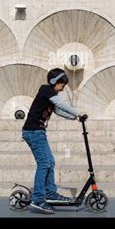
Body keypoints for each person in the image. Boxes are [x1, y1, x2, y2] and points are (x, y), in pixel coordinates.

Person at [22, 68, 87, 214]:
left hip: (37, 132)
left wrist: (74, 118)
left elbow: (58, 110)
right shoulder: (46, 90)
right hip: (33, 132)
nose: (63, 88)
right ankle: (38, 199)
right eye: (62, 85)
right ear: (54, 82)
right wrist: (78, 112)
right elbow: (61, 105)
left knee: (50, 162)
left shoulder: (50, 95)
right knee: (44, 164)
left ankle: (50, 193)